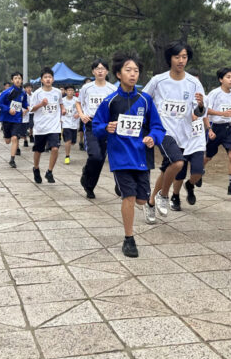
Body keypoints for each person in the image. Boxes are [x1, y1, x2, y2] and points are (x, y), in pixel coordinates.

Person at [92, 53, 165, 257]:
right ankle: (129, 239)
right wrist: (106, 127)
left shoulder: (145, 100)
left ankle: (123, 189)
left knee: (141, 200)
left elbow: (158, 127)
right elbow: (96, 127)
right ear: (118, 74)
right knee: (130, 197)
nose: (133, 74)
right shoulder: (110, 101)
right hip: (120, 157)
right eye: (128, 70)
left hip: (141, 156)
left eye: (136, 71)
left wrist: (152, 137)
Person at [144, 42, 206, 216]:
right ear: (169, 58)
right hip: (162, 131)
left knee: (167, 169)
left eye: (184, 57)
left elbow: (199, 112)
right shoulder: (158, 80)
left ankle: (150, 203)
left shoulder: (194, 83)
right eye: (177, 57)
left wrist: (201, 105)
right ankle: (163, 195)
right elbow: (143, 100)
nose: (181, 60)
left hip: (183, 134)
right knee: (178, 163)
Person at [77, 61, 118, 198]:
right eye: (97, 68)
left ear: (107, 71)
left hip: (106, 126)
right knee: (95, 155)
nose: (100, 71)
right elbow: (78, 102)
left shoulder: (112, 89)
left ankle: (89, 186)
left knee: (101, 159)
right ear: (93, 71)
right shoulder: (86, 88)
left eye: (103, 68)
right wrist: (82, 114)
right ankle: (86, 175)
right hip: (91, 124)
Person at [204, 67, 231, 196]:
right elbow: (206, 111)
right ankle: (198, 172)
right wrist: (211, 127)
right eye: (228, 77)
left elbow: (229, 110)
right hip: (214, 127)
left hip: (227, 128)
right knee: (208, 156)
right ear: (221, 79)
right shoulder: (214, 93)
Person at [29, 68, 63, 183]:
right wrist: (41, 104)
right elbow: (31, 109)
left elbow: (60, 103)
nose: (48, 79)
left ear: (53, 79)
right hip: (40, 127)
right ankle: (36, 168)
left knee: (55, 148)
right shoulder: (37, 93)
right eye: (45, 77)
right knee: (38, 151)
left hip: (54, 127)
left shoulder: (58, 92)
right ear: (41, 80)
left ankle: (49, 171)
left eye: (50, 77)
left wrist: (63, 109)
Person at [0, 72, 28, 168]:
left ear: (22, 80)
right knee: (7, 141)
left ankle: (12, 159)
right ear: (12, 80)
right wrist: (8, 109)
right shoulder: (6, 92)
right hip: (7, 119)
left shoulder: (23, 92)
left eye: (19, 78)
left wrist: (28, 107)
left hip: (17, 118)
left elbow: (24, 102)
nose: (18, 80)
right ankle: (8, 138)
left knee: (15, 138)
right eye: (15, 78)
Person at [61, 85, 80, 164]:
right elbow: (58, 110)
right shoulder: (62, 100)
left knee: (73, 142)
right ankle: (67, 156)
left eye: (72, 90)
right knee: (68, 140)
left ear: (74, 92)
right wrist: (61, 115)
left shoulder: (77, 100)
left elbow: (82, 109)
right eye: (68, 90)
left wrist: (78, 114)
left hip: (74, 122)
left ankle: (70, 143)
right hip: (65, 122)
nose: (70, 92)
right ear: (65, 91)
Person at [22, 83, 33, 147]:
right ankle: (25, 140)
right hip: (22, 114)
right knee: (24, 129)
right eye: (27, 87)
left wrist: (26, 110)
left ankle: (31, 135)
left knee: (31, 126)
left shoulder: (33, 95)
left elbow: (30, 104)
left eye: (30, 87)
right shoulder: (22, 95)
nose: (29, 89)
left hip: (31, 113)